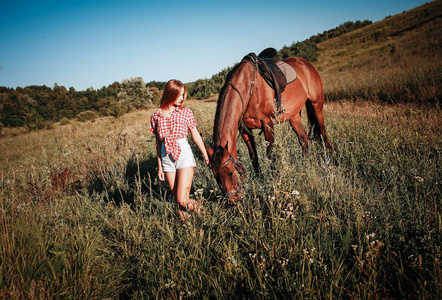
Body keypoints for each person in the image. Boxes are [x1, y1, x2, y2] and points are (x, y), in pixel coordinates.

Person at [149, 79, 210, 222]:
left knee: (182, 199)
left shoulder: (185, 112)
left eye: (183, 95)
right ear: (170, 94)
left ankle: (207, 214)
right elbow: (158, 143)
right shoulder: (156, 115)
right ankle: (188, 230)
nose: (182, 98)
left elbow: (195, 134)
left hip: (183, 153)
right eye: (179, 95)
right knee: (178, 201)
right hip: (166, 156)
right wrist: (160, 166)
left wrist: (205, 155)